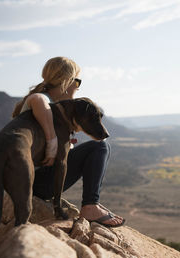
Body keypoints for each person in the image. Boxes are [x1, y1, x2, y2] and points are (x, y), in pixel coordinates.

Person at [12, 56, 125, 227]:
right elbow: (37, 101)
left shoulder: (54, 106)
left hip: (32, 180)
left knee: (99, 146)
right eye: (77, 81)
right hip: (34, 182)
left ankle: (91, 204)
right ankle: (90, 205)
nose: (78, 88)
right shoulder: (43, 101)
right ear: (66, 81)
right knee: (100, 147)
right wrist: (52, 141)